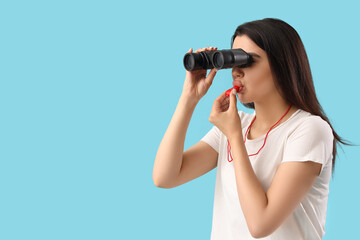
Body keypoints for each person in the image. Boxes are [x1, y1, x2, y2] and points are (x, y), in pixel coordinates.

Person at [153, 18, 350, 239]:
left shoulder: (309, 130)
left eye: (247, 61)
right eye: (233, 61)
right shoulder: (236, 125)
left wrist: (235, 138)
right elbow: (165, 177)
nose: (236, 71)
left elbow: (260, 224)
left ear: (281, 65)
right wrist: (189, 99)